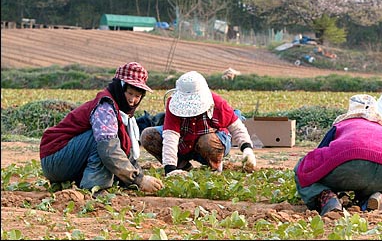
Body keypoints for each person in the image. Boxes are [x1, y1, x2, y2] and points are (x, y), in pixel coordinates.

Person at [39, 62, 164, 194]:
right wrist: (138, 180)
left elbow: (125, 151)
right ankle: (95, 187)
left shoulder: (122, 114)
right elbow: (108, 148)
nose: (132, 100)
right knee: (104, 140)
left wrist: (140, 177)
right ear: (120, 89)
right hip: (55, 159)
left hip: (66, 160)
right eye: (129, 93)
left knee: (113, 141)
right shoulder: (105, 107)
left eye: (137, 96)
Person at [294, 94, 382, 216]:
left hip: (348, 165)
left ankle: (326, 197)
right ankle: (380, 197)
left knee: (302, 168)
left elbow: (319, 156)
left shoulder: (342, 124)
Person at [140, 70, 256, 176]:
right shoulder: (172, 104)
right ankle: (182, 167)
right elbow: (171, 136)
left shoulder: (217, 103)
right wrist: (170, 168)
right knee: (148, 135)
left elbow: (236, 128)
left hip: (211, 143)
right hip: (185, 141)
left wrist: (247, 150)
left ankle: (214, 167)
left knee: (207, 140)